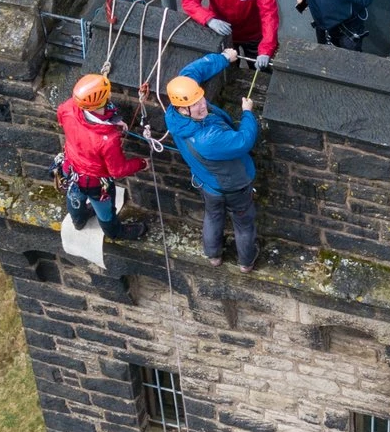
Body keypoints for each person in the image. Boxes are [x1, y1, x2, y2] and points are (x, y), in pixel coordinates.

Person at [164, 49, 261, 270]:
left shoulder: (174, 113)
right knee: (244, 223)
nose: (203, 106)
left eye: (201, 98)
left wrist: (224, 58)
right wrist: (247, 113)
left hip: (208, 183)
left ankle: (214, 256)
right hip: (234, 185)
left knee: (213, 215)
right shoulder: (206, 139)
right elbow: (244, 140)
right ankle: (246, 261)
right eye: (196, 104)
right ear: (182, 108)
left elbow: (192, 72)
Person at [56, 73, 147, 237]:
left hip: (70, 168)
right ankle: (115, 233)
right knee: (105, 211)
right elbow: (117, 171)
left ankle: (79, 221)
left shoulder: (68, 107)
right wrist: (141, 163)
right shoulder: (108, 139)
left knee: (74, 198)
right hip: (95, 182)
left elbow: (64, 120)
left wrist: (112, 121)